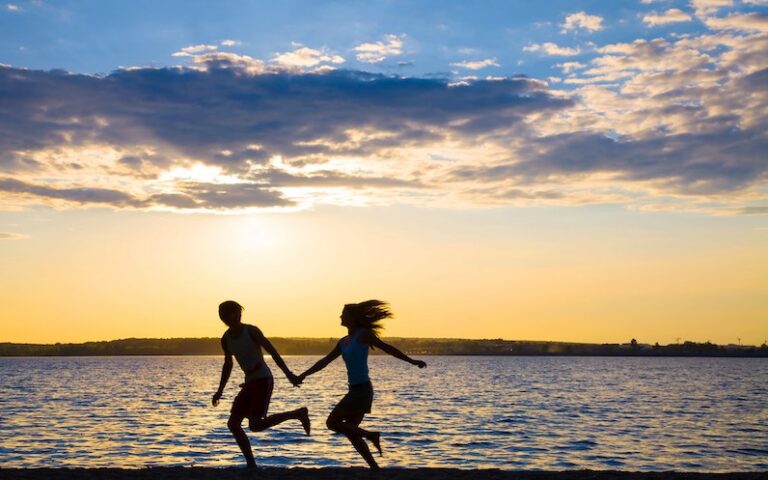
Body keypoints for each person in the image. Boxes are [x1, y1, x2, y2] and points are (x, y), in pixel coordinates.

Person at [297, 300, 427, 469]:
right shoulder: (343, 341)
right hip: (356, 389)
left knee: (332, 423)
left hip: (362, 390)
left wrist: (412, 361)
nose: (340, 316)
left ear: (352, 318)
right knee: (351, 431)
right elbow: (325, 361)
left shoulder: (363, 334)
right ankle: (374, 467)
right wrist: (304, 375)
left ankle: (371, 435)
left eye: (344, 314)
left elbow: (387, 348)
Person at [212, 300, 310, 468]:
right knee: (233, 424)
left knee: (255, 426)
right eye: (231, 313)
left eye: (238, 312)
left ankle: (297, 413)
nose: (236, 316)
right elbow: (228, 364)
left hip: (263, 379)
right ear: (224, 317)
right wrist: (219, 391)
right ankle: (251, 464)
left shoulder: (251, 331)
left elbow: (272, 352)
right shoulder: (226, 339)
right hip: (249, 382)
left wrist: (289, 375)